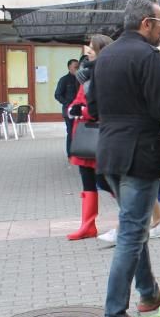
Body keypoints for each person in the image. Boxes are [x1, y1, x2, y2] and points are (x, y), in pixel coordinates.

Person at [93, 0, 160, 317]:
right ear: (146, 23)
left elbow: (95, 106)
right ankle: (114, 315)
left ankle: (148, 293)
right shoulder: (148, 56)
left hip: (109, 153)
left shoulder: (107, 54)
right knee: (131, 233)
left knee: (135, 225)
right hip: (139, 154)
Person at [67, 34, 114, 241]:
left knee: (106, 181)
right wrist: (73, 109)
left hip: (101, 136)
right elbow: (76, 102)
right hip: (85, 138)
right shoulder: (84, 75)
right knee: (87, 182)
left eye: (91, 49)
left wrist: (83, 111)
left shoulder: (108, 74)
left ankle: (136, 213)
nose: (87, 51)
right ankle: (87, 226)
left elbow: (104, 107)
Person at [54, 58, 80, 157]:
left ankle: (79, 152)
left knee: (79, 132)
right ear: (69, 68)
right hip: (68, 111)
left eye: (78, 66)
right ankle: (70, 154)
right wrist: (68, 103)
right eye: (75, 67)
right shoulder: (64, 80)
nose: (78, 69)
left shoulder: (81, 79)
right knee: (71, 132)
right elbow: (57, 95)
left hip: (80, 111)